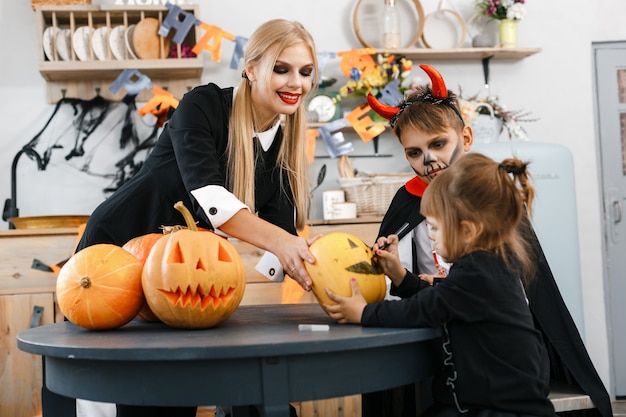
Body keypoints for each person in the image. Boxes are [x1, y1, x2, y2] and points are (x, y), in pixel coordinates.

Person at [46, 18, 320, 417]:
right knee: (111, 386)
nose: (296, 82)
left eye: (305, 72)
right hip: (119, 250)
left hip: (182, 272)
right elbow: (210, 197)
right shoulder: (203, 104)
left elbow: (279, 236)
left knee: (177, 389)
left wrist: (317, 267)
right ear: (252, 68)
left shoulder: (281, 142)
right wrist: (284, 244)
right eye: (282, 69)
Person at [354, 64, 613, 417]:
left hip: (486, 347)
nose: (428, 160)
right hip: (431, 332)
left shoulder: (490, 195)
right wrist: (397, 275)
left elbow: (521, 287)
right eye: (414, 152)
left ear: (466, 138)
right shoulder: (407, 200)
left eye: (438, 144)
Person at [325, 152, 558, 417]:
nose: (430, 237)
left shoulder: (479, 271)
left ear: (468, 230)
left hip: (503, 410)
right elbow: (446, 302)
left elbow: (425, 308)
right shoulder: (487, 265)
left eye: (434, 228)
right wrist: (401, 277)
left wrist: (363, 313)